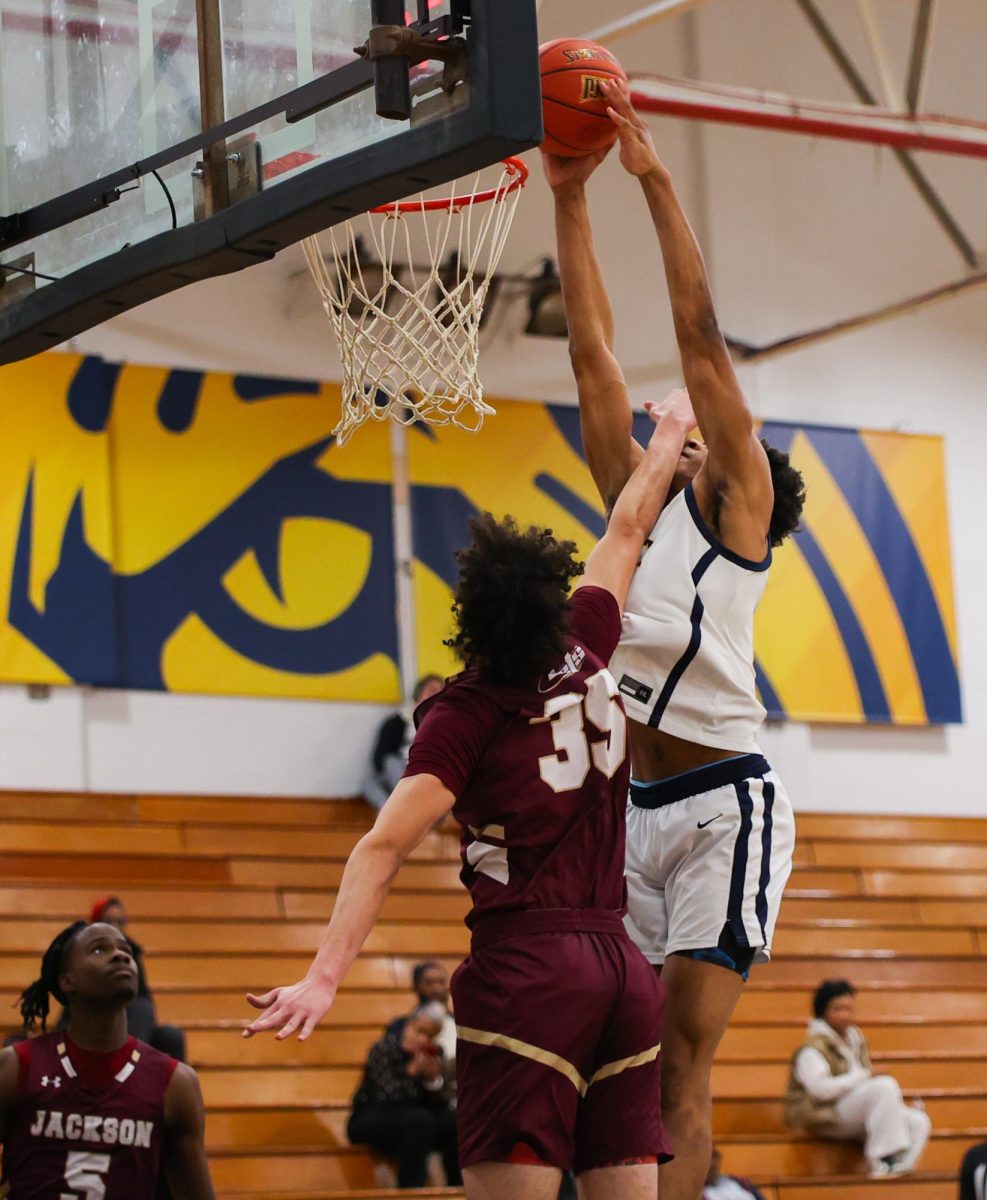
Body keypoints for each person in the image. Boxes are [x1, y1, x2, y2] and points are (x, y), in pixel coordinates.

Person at [243, 394, 698, 1200]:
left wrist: (322, 976)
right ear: (548, 598)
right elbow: (627, 527)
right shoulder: (587, 644)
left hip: (529, 970)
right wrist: (668, 432)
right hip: (622, 968)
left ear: (470, 618)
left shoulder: (465, 709)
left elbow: (382, 847)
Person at [545, 77, 806, 1200]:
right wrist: (567, 194)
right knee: (627, 1067)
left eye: (705, 447)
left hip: (722, 806)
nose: (684, 442)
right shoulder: (633, 508)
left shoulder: (735, 509)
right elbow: (592, 357)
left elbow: (698, 340)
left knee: (684, 1067)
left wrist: (652, 180)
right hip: (634, 816)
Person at [0, 920, 215, 1199]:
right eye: (99, 950)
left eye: (126, 950)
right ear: (67, 980)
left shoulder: (176, 1083)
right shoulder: (17, 1066)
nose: (121, 955)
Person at [784, 980, 931, 1178]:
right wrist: (863, 1076)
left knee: (918, 1121)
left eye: (849, 1009)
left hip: (852, 1112)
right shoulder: (811, 1049)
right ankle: (882, 1160)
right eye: (838, 1009)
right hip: (823, 1115)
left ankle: (895, 1173)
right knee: (884, 1086)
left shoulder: (855, 1039)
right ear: (822, 1010)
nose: (844, 1015)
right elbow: (821, 1091)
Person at [347, 1003, 459, 1188]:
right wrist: (412, 1071)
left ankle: (459, 1189)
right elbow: (384, 1097)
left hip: (417, 1123)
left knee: (452, 1121)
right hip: (370, 1117)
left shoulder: (433, 1054)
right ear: (408, 1026)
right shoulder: (385, 1048)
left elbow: (440, 1106)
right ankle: (410, 1190)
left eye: (430, 1036)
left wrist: (433, 1081)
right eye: (419, 1032)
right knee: (420, 1121)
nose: (423, 1040)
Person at [90, 896, 187, 1062]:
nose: (116, 927)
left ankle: (134, 1069)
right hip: (98, 1024)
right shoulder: (86, 954)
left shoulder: (131, 952)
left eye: (120, 921)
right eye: (109, 922)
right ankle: (129, 1070)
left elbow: (144, 1001)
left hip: (132, 1027)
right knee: (138, 1009)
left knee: (170, 1036)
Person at [364, 675, 444, 810]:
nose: (436, 695)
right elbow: (380, 757)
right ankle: (388, 809)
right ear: (419, 693)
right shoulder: (397, 721)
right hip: (399, 772)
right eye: (432, 690)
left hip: (425, 774)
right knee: (369, 781)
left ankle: (405, 806)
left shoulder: (444, 725)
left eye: (441, 692)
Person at [387, 962, 456, 1075]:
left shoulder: (459, 1025)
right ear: (416, 987)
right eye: (429, 983)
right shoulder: (399, 1027)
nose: (437, 989)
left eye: (441, 982)